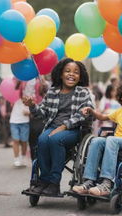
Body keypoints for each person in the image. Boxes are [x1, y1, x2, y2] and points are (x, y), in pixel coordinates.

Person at [22, 58, 93, 196]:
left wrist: (65, 126)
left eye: (76, 72)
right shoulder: (52, 92)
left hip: (74, 130)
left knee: (55, 139)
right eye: (67, 71)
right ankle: (44, 181)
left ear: (80, 76)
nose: (71, 74)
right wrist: (32, 105)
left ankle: (54, 183)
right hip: (53, 127)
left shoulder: (83, 92)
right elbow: (42, 114)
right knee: (42, 140)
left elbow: (86, 114)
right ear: (60, 74)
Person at [72, 80, 122, 196]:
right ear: (121, 96)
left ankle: (107, 183)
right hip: (116, 141)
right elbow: (103, 117)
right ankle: (89, 181)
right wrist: (91, 111)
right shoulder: (119, 112)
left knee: (111, 139)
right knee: (96, 140)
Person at [10, 80, 30, 167]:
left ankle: (23, 157)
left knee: (24, 141)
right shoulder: (14, 94)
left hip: (25, 121)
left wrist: (29, 112)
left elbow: (34, 106)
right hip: (14, 121)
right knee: (16, 140)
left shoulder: (29, 95)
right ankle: (16, 159)